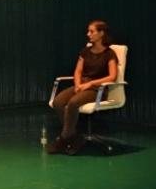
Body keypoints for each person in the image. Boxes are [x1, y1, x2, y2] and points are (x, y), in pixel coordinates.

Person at [47, 20, 119, 155]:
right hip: (82, 85)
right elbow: (78, 71)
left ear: (101, 33)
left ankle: (63, 139)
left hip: (97, 89)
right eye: (88, 31)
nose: (88, 34)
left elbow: (112, 76)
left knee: (73, 103)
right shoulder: (85, 51)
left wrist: (91, 84)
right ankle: (75, 138)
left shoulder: (109, 54)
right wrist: (79, 84)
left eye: (92, 31)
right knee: (58, 102)